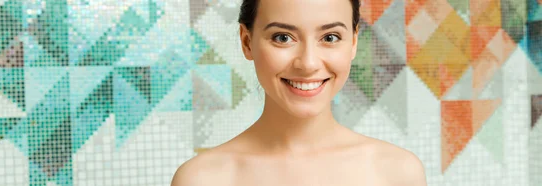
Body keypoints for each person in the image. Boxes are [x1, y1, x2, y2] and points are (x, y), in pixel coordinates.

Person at [172, 0, 427, 185]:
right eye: (283, 37)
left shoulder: (399, 173)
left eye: (330, 37)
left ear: (353, 42)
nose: (308, 64)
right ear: (247, 42)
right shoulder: (201, 179)